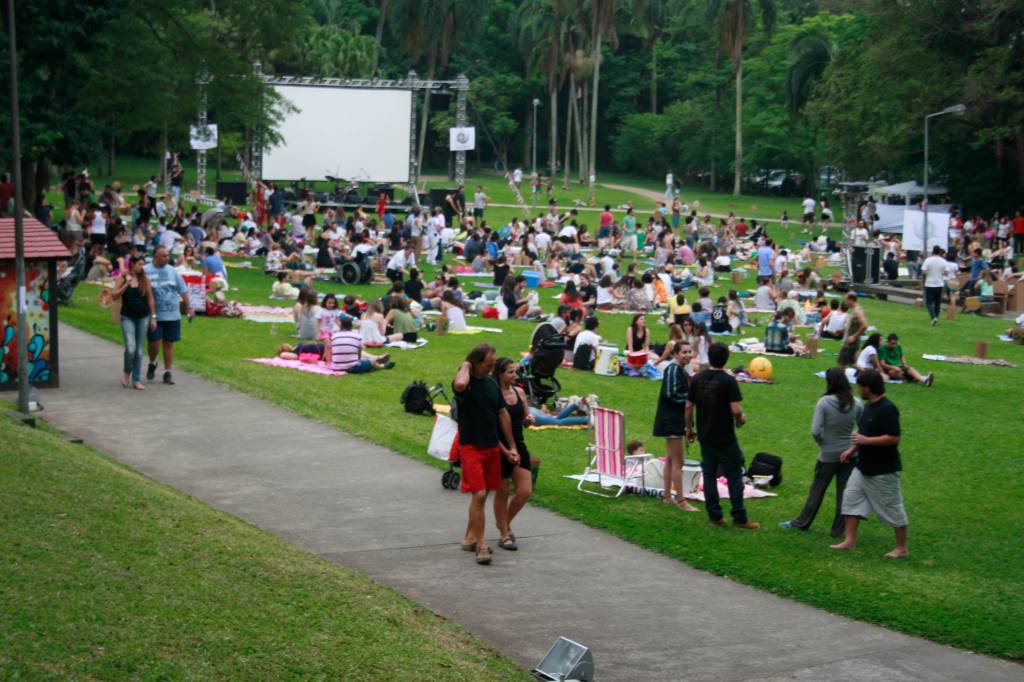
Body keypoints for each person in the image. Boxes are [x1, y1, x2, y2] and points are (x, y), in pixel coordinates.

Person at [830, 369, 909, 557]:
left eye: (860, 386)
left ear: (868, 388)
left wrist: (866, 441)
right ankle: (849, 541)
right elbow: (862, 434)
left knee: (892, 507)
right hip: (862, 467)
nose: (858, 390)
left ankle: (901, 548)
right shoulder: (868, 407)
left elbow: (893, 438)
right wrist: (852, 449)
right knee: (851, 499)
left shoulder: (887, 409)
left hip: (883, 470)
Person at [453, 344, 518, 566]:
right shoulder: (465, 383)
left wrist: (510, 447)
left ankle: (469, 538)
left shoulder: (491, 383)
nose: (492, 369)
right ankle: (481, 545)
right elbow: (460, 383)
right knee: (479, 495)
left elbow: (502, 414)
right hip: (471, 446)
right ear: (476, 363)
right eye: (488, 365)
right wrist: (465, 365)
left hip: (492, 446)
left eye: (493, 364)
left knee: (483, 494)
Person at [685, 343, 759, 529]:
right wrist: (741, 419)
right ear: (726, 359)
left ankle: (715, 515)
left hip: (705, 434)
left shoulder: (698, 378)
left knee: (709, 475)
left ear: (709, 357)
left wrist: (689, 429)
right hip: (725, 436)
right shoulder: (728, 381)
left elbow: (688, 407)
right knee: (734, 475)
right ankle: (740, 518)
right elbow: (736, 409)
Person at [780, 368, 862, 536]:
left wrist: (823, 444)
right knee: (844, 494)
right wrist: (853, 446)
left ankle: (802, 522)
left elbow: (816, 431)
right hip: (850, 454)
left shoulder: (824, 402)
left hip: (827, 454)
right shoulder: (857, 403)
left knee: (817, 491)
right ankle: (838, 530)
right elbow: (863, 429)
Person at [492, 358, 535, 551]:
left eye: (514, 371)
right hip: (499, 447)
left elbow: (525, 419)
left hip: (519, 445)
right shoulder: (493, 395)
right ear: (500, 374)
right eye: (510, 372)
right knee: (502, 492)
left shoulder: (519, 392)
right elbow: (491, 427)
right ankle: (504, 534)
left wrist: (529, 419)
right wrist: (506, 450)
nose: (514, 375)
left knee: (525, 491)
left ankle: (504, 523)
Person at [654, 341, 700, 511]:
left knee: (671, 460)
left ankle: (667, 496)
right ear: (675, 354)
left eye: (689, 351)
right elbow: (671, 394)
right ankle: (681, 501)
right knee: (678, 463)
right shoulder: (673, 369)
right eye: (684, 352)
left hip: (673, 419)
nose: (687, 355)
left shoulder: (679, 369)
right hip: (671, 420)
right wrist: (691, 399)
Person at [145, 246, 192, 385]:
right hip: (154, 315)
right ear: (155, 257)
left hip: (172, 314)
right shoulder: (146, 271)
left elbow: (183, 290)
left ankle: (167, 372)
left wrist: (189, 306)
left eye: (167, 255)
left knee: (168, 343)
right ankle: (152, 362)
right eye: (164, 256)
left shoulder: (173, 271)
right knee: (154, 342)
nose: (167, 258)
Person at [111, 255, 157, 390]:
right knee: (131, 348)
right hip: (128, 317)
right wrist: (126, 284)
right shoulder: (123, 277)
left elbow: (150, 299)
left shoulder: (145, 279)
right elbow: (114, 296)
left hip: (143, 317)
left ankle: (136, 379)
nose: (142, 267)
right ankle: (127, 372)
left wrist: (153, 317)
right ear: (132, 264)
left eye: (143, 264)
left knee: (139, 351)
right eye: (139, 264)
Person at [837, 293, 867, 368]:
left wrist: (854, 336)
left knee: (841, 364)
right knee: (852, 364)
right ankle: (866, 375)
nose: (845, 303)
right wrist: (841, 330)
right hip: (851, 342)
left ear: (851, 300)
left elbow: (865, 325)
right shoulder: (855, 310)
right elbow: (853, 325)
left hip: (850, 344)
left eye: (846, 300)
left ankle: (838, 379)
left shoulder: (857, 311)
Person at [921, 245, 946, 325]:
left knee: (929, 303)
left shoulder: (928, 260)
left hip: (929, 283)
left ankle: (933, 317)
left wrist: (929, 273)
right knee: (937, 303)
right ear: (939, 252)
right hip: (939, 284)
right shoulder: (943, 261)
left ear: (933, 251)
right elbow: (946, 272)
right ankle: (936, 318)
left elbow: (924, 271)